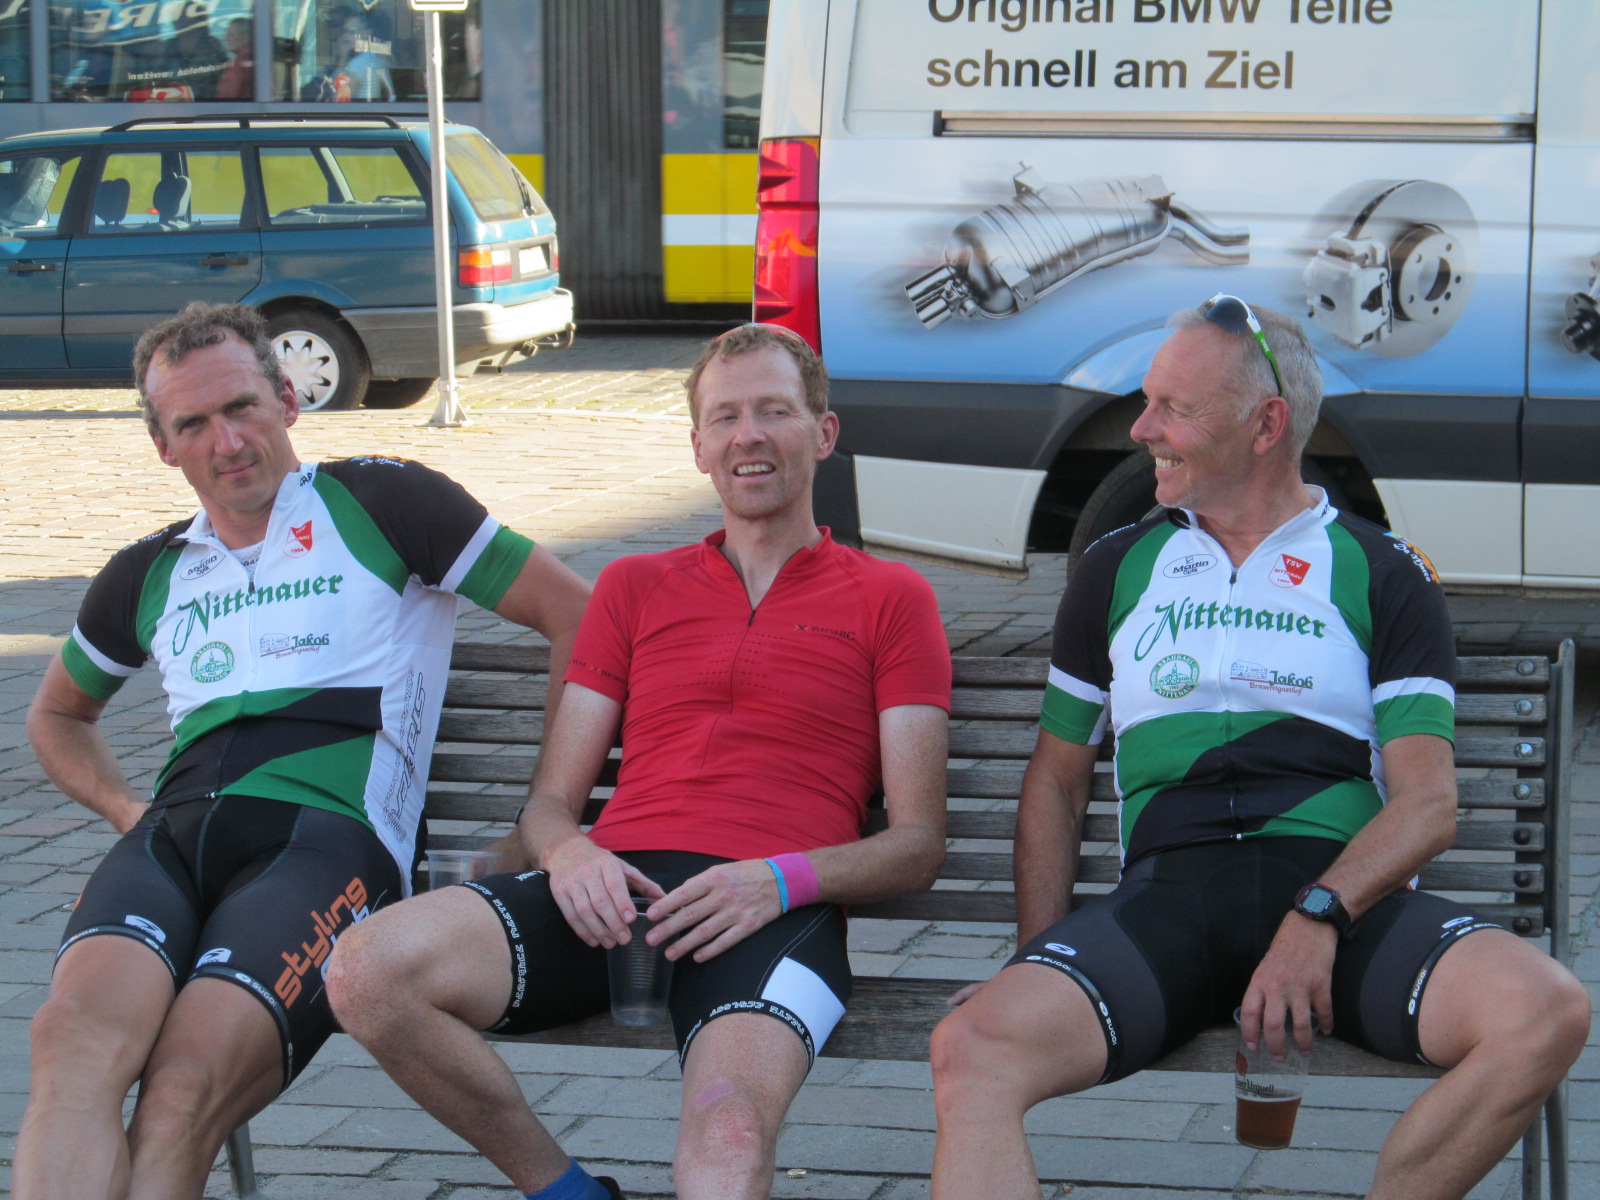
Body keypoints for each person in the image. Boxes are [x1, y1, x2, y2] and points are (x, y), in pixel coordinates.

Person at [928, 296, 1591, 1200]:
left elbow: (1429, 803)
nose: (1141, 428)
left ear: (1266, 425)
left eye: (1174, 408)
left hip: (1343, 912)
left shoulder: (1382, 571)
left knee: (1546, 1010)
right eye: (1148, 401)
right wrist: (1036, 956)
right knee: (971, 1051)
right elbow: (1057, 781)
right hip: (1169, 907)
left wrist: (1317, 917)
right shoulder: (1115, 568)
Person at [326, 323, 952, 1200]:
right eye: (725, 417)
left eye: (774, 411)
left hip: (770, 909)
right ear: (698, 447)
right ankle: (570, 1193)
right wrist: (569, 853)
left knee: (730, 1129)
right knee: (364, 972)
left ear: (823, 433)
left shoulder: (893, 597)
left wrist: (776, 881)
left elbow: (917, 844)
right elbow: (551, 803)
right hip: (613, 898)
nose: (748, 436)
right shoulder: (632, 588)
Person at [17, 302, 590, 1200]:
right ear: (163, 446)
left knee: (182, 1091)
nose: (227, 442)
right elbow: (56, 715)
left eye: (242, 406)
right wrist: (125, 808)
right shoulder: (149, 568)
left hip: (327, 845)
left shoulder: (386, 501)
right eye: (193, 424)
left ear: (287, 398)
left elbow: (580, 615)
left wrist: (544, 814)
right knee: (67, 1043)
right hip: (172, 839)